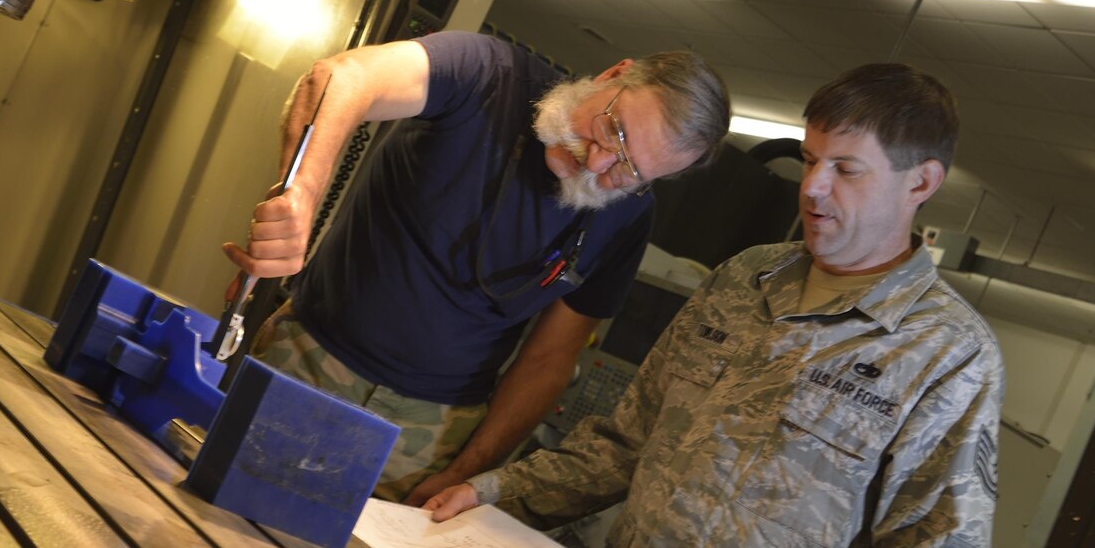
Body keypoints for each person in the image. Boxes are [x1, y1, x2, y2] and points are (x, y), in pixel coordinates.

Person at [423, 62, 1003, 548]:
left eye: (847, 170)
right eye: (813, 159)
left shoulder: (948, 355)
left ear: (920, 183)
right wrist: (499, 491)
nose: (814, 188)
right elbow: (627, 442)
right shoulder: (745, 280)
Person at [222, 30, 728, 504]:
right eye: (611, 129)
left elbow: (550, 359)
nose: (597, 165)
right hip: (305, 364)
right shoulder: (487, 74)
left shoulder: (628, 215)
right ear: (613, 75)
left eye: (630, 170)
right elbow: (341, 78)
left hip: (426, 439)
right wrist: (303, 193)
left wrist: (470, 468)